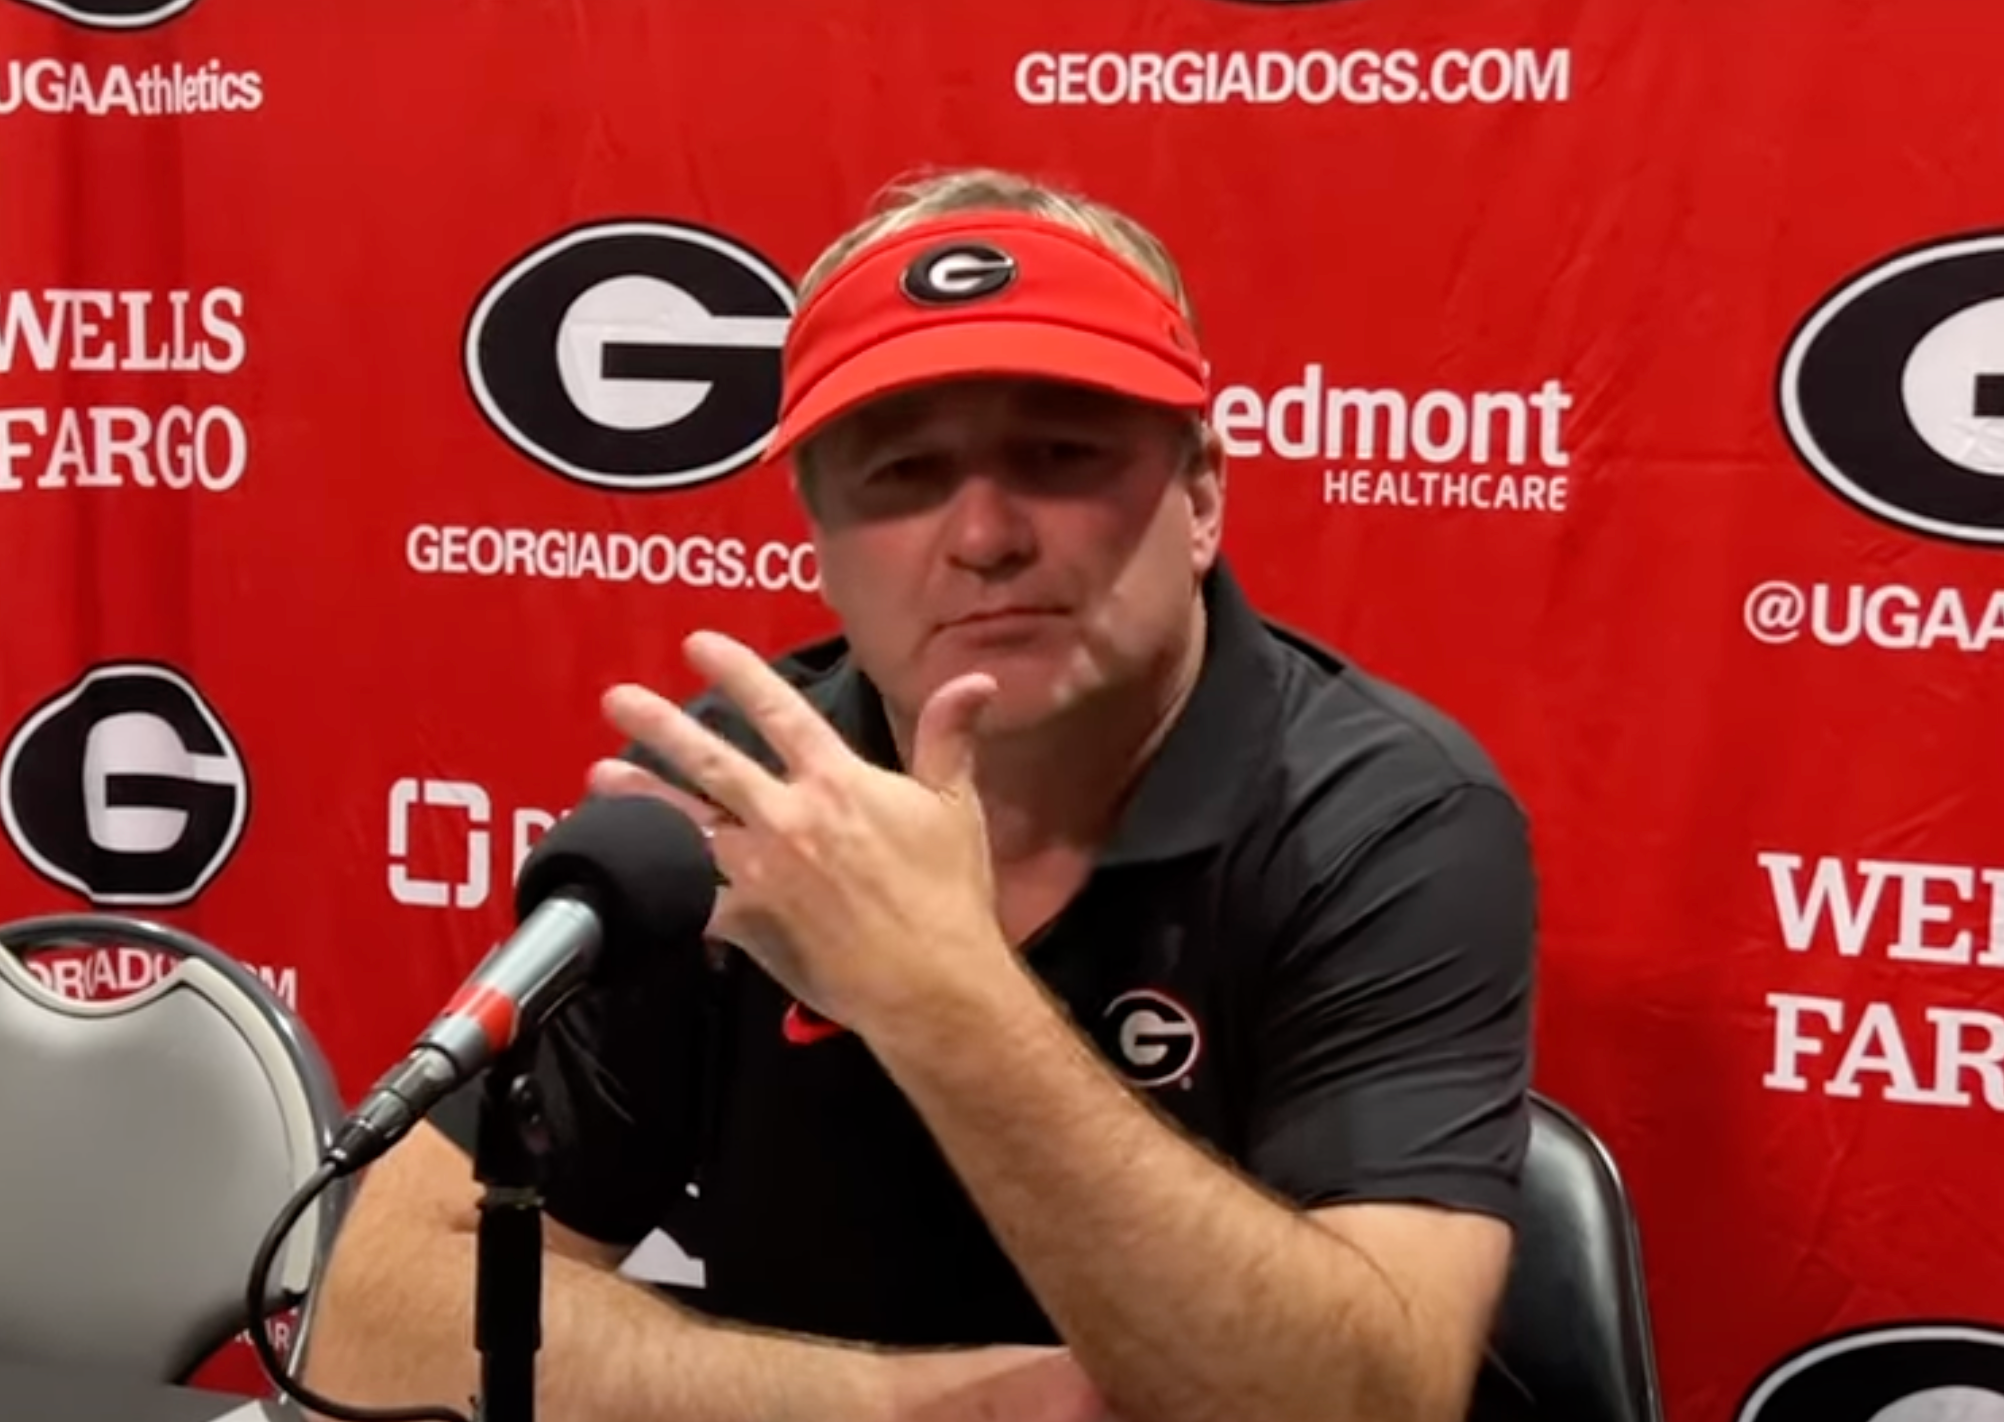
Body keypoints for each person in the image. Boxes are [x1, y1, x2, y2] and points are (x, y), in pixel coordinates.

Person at [303, 166, 1538, 1422]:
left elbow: (1363, 1405)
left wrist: (938, 993)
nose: (987, 535)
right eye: (902, 474)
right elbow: (369, 1315)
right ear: (819, 538)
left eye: (1059, 454)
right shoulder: (734, 808)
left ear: (1202, 494)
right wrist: (945, 1411)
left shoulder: (1383, 815)